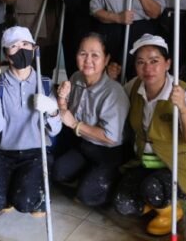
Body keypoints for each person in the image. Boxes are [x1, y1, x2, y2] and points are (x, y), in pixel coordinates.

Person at [113, 34, 186, 236]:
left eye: (154, 61)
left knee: (152, 187)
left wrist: (183, 108)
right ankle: (155, 199)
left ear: (168, 63)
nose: (147, 68)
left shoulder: (184, 92)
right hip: (147, 162)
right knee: (122, 204)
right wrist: (111, 81)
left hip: (181, 164)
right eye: (141, 62)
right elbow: (115, 104)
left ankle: (170, 212)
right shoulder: (134, 87)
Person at [0, 26, 62, 216]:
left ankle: (40, 193)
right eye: (14, 46)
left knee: (24, 203)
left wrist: (52, 109)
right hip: (3, 152)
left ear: (34, 49)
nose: (21, 50)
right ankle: (11, 184)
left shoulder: (46, 83)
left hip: (35, 153)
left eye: (25, 44)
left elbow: (55, 131)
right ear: (7, 55)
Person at [52, 33, 130, 207]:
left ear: (106, 59)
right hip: (85, 145)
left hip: (109, 151)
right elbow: (65, 113)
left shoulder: (113, 92)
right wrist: (62, 100)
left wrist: (75, 124)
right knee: (57, 172)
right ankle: (90, 173)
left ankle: (114, 175)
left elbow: (111, 137)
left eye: (95, 55)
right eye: (82, 54)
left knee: (86, 196)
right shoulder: (76, 78)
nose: (88, 60)